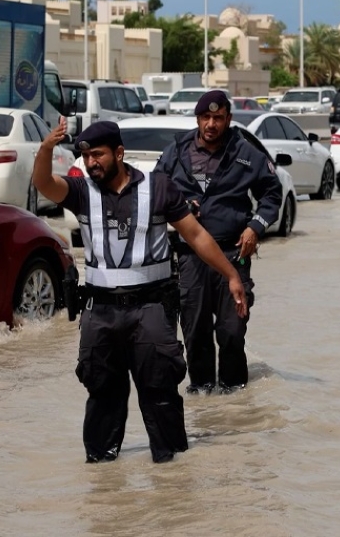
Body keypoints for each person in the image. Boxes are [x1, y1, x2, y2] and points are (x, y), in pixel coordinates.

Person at [31, 117, 247, 464]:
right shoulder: (82, 191)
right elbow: (42, 183)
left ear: (119, 153)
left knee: (160, 394)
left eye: (98, 155)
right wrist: (46, 148)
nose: (91, 163)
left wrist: (231, 275)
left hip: (151, 311)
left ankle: (174, 481)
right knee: (102, 396)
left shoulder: (159, 188)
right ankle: (102, 480)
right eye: (86, 157)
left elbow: (196, 235)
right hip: (100, 314)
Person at [154, 90, 282, 395]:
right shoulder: (177, 150)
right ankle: (202, 394)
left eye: (218, 118)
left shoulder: (246, 151)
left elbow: (272, 195)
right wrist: (180, 204)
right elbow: (157, 189)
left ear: (228, 119)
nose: (211, 124)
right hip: (190, 255)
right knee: (195, 330)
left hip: (233, 254)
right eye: (206, 117)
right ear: (198, 119)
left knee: (232, 330)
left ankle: (235, 395)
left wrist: (255, 227)